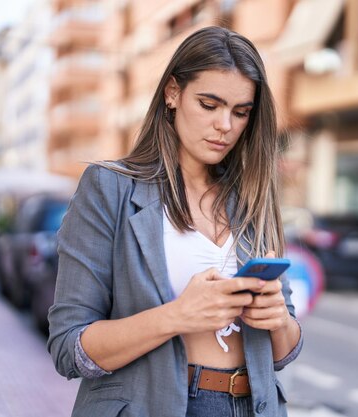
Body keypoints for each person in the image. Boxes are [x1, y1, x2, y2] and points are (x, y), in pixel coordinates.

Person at [47, 26, 303, 417]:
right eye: (209, 104)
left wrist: (278, 321)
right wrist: (177, 315)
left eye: (240, 112)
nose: (225, 126)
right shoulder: (110, 188)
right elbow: (70, 349)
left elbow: (282, 353)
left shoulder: (251, 197)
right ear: (172, 93)